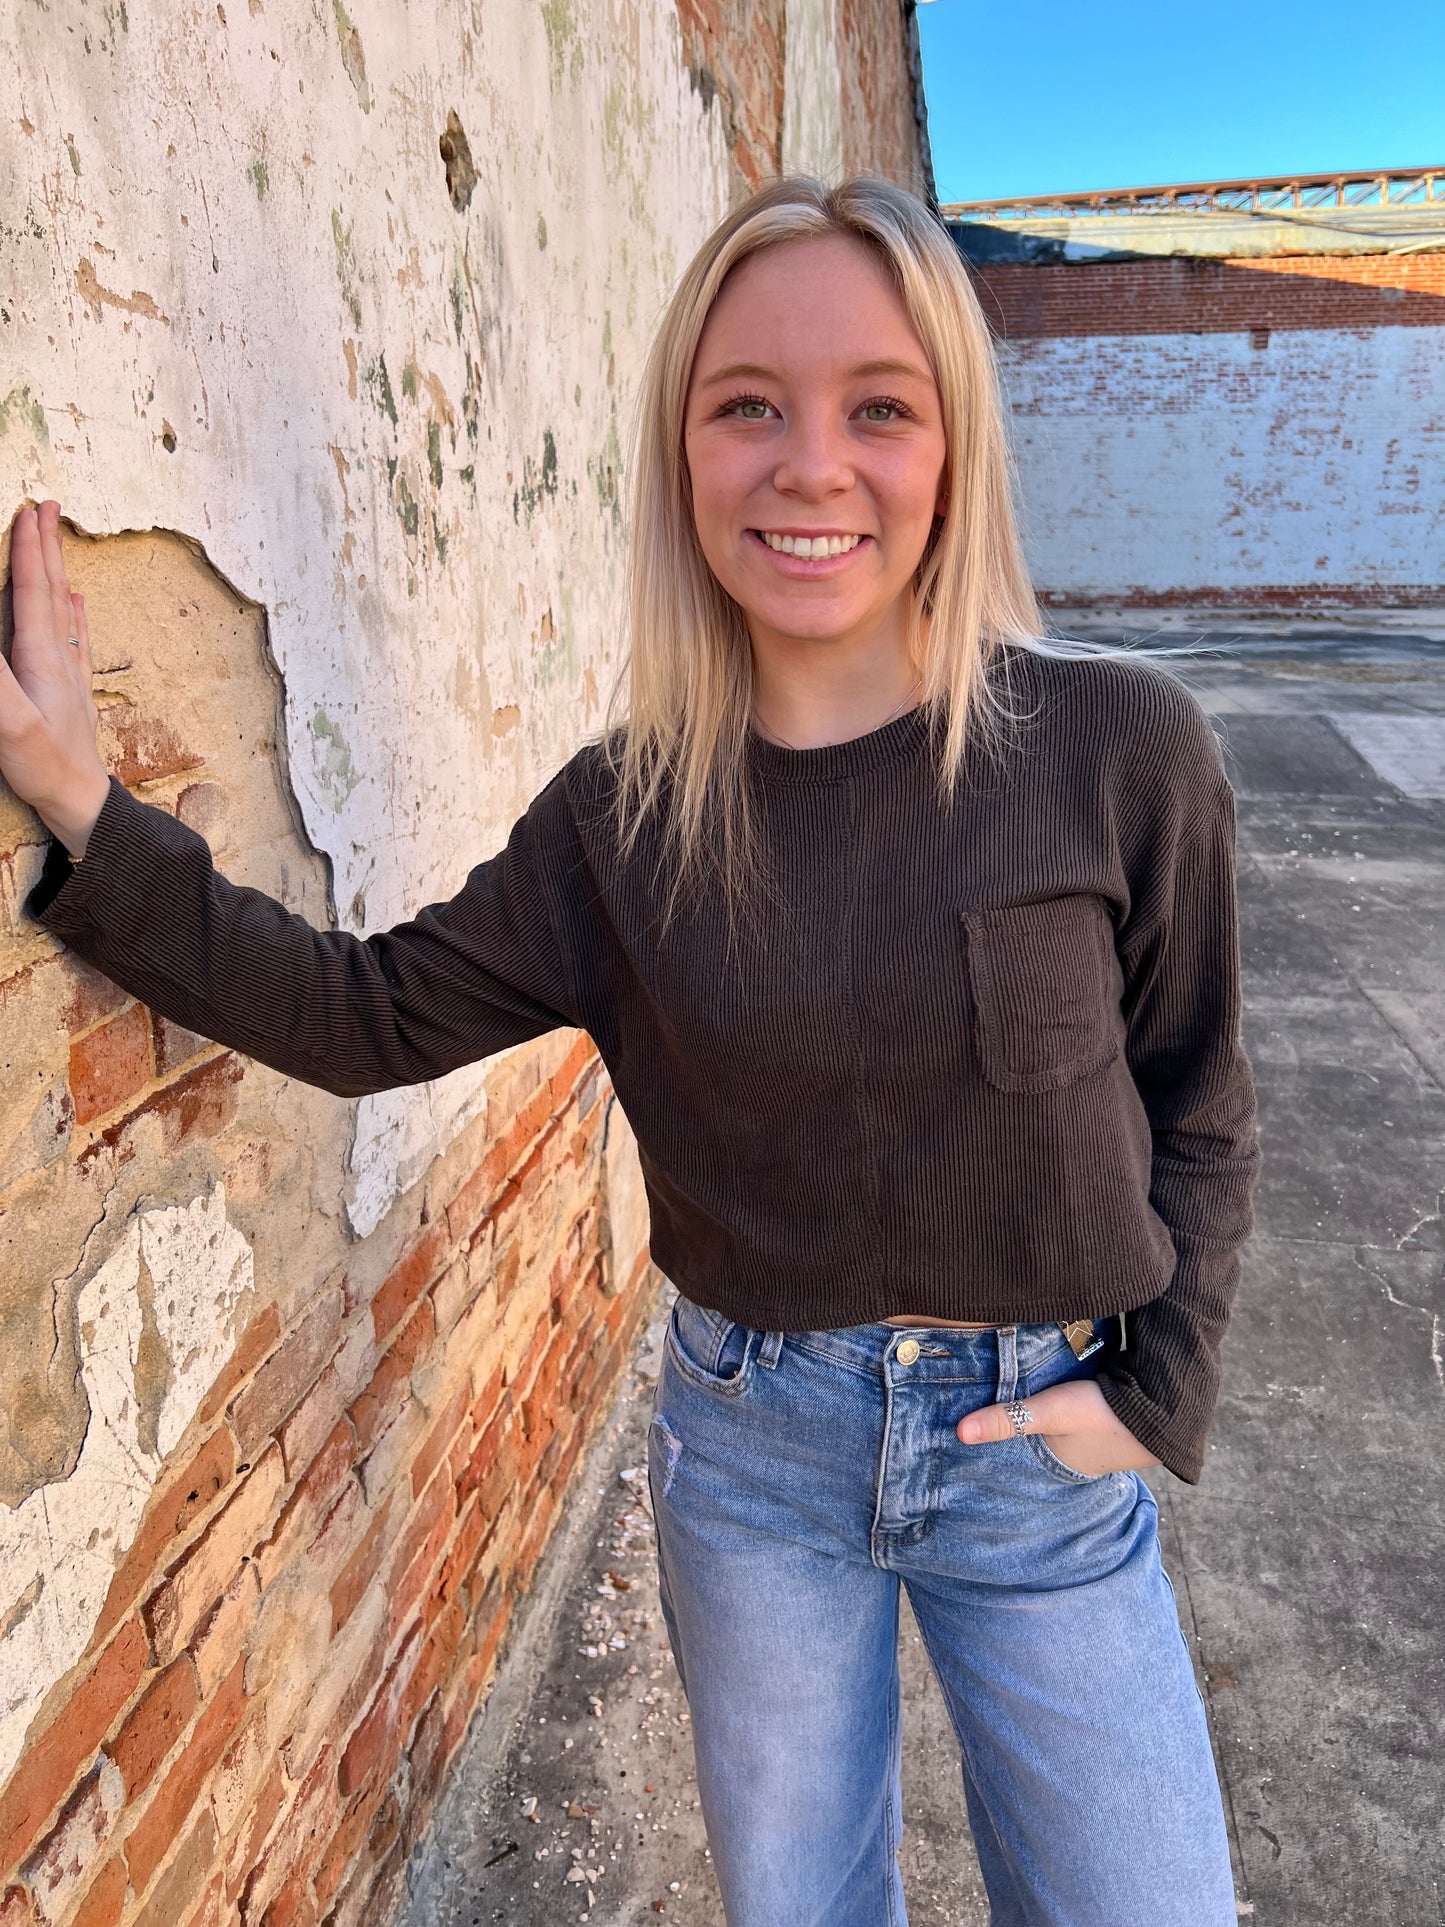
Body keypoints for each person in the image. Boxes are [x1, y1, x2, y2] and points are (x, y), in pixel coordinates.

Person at [4, 174, 1256, 1926]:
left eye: (877, 408)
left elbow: (1199, 1098)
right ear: (681, 451)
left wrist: (1152, 1394)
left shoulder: (1115, 748)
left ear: (954, 445)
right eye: (746, 406)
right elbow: (364, 1016)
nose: (808, 466)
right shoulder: (627, 818)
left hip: (1036, 1461)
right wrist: (79, 795)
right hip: (756, 1459)